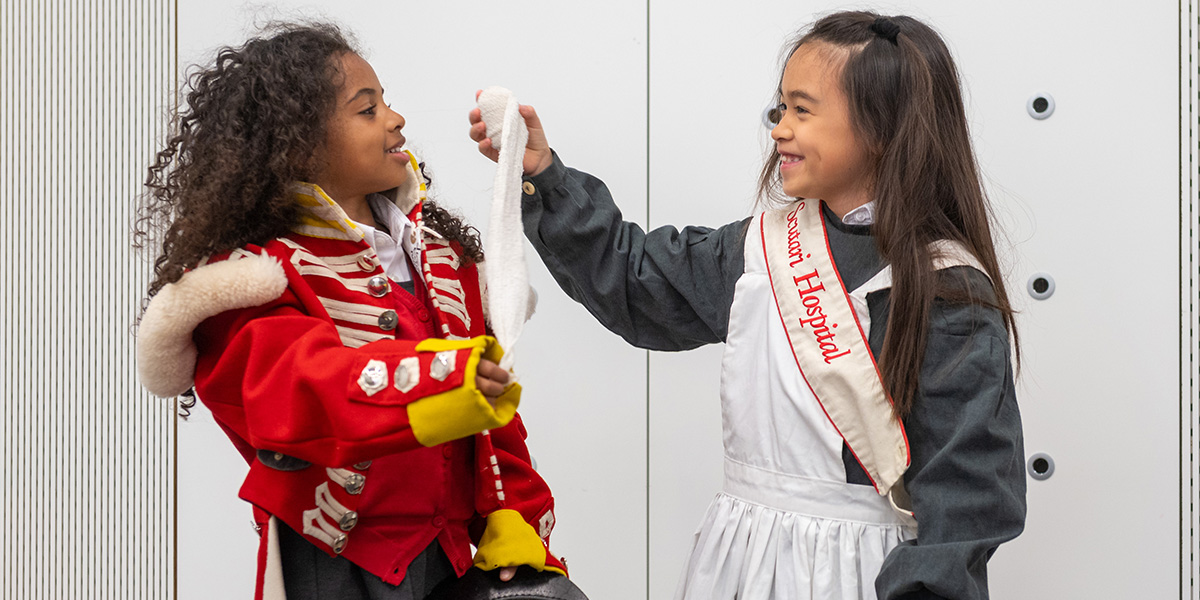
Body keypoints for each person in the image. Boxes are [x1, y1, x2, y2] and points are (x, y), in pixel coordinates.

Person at [469, 10, 1025, 600]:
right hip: (739, 559)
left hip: (864, 573)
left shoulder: (946, 287)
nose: (780, 128)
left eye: (803, 110)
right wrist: (546, 176)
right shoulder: (760, 246)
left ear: (883, 128)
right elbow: (637, 284)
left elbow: (966, 495)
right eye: (781, 107)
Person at [135, 22, 565, 600]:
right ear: (297, 144)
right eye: (368, 110)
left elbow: (496, 426)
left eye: (386, 102)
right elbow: (303, 390)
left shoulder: (445, 262)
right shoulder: (251, 281)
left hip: (456, 561)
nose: (395, 119)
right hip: (335, 566)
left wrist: (512, 516)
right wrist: (440, 378)